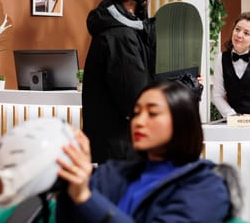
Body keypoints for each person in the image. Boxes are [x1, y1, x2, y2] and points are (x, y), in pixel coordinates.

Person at [56, 80, 239, 223]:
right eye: (136, 113)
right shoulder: (115, 172)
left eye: (152, 113)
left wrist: (85, 196)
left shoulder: (206, 186)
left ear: (182, 121)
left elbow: (89, 202)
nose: (139, 122)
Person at [82, 0, 162, 164]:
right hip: (118, 152)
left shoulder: (124, 29)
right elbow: (137, 100)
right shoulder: (119, 37)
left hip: (118, 147)